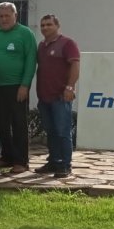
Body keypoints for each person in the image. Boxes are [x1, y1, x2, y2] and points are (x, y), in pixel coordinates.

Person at [0, 2, 37, 173]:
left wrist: (25, 85)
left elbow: (31, 61)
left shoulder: (25, 33)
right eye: (0, 16)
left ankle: (21, 161)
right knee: (2, 124)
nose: (4, 19)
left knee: (18, 124)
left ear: (15, 15)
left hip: (17, 87)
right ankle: (7, 156)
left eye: (7, 15)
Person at [35, 14, 80, 178]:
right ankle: (53, 162)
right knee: (51, 132)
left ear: (57, 25)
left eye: (49, 24)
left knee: (62, 132)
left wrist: (70, 87)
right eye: (42, 25)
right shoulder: (41, 46)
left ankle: (65, 165)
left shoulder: (67, 43)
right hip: (44, 97)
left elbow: (75, 65)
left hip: (61, 97)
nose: (45, 28)